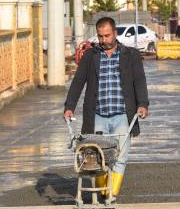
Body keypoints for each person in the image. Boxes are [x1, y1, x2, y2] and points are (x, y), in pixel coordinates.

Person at [64, 17, 149, 199]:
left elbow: (139, 81)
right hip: (98, 116)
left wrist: (143, 104)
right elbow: (78, 82)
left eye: (107, 35)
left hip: (122, 115)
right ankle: (104, 192)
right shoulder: (90, 56)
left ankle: (111, 195)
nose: (104, 40)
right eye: (100, 36)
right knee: (98, 157)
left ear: (115, 34)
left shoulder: (131, 55)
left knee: (120, 157)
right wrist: (69, 106)